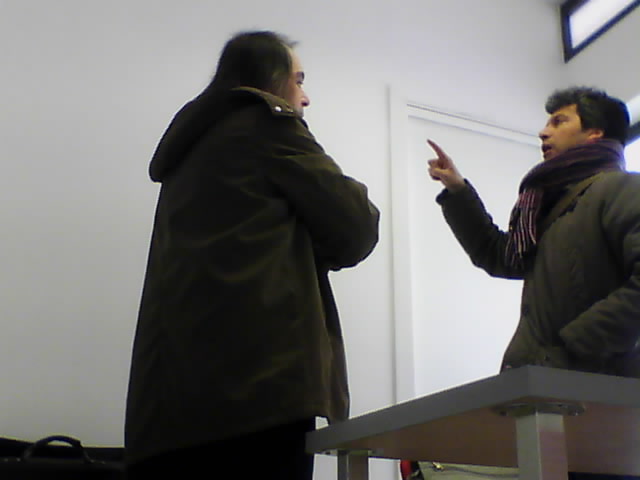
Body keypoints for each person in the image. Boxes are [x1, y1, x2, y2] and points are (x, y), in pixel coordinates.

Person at [125, 30, 379, 480]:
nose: (305, 97)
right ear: (271, 79)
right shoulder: (268, 125)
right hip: (259, 398)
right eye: (298, 80)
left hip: (169, 413)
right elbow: (356, 227)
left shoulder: (190, 151)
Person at [427, 86, 640, 378]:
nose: (543, 132)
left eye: (559, 122)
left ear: (595, 133)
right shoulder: (553, 205)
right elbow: (499, 256)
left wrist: (574, 344)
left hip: (592, 383)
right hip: (541, 376)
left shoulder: (622, 189)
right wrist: (457, 190)